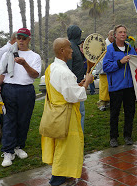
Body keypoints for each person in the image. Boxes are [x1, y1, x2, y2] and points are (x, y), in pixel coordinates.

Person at [41, 38, 94, 186]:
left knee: (60, 146)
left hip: (55, 113)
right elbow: (73, 96)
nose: (72, 50)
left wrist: (77, 85)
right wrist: (87, 82)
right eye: (69, 47)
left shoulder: (52, 68)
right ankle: (57, 180)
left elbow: (61, 89)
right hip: (66, 115)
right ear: (62, 51)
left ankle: (63, 177)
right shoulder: (64, 72)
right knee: (65, 148)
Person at [0, 28, 41, 167]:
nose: (21, 40)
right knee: (9, 120)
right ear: (16, 38)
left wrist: (24, 64)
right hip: (9, 89)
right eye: (19, 37)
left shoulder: (34, 56)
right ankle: (7, 151)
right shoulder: (8, 54)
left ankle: (18, 146)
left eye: (24, 38)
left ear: (29, 40)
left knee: (24, 120)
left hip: (26, 90)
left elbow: (35, 75)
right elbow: (1, 72)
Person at [102, 25, 137, 147]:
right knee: (114, 113)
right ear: (115, 35)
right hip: (116, 87)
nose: (123, 34)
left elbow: (136, 62)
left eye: (125, 32)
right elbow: (105, 67)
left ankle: (128, 136)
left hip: (129, 87)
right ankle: (113, 137)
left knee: (130, 112)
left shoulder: (130, 48)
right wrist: (120, 62)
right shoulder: (110, 49)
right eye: (120, 32)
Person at [66, 25, 86, 131]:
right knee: (79, 113)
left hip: (78, 83)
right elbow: (68, 69)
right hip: (75, 86)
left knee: (79, 112)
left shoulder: (74, 47)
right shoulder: (71, 48)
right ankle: (78, 137)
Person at [97, 30, 114, 111]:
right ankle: (102, 103)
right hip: (104, 69)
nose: (112, 37)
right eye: (111, 35)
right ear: (108, 35)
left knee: (110, 86)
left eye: (114, 35)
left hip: (112, 69)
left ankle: (109, 102)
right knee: (104, 87)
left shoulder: (114, 45)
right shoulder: (104, 44)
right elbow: (100, 58)